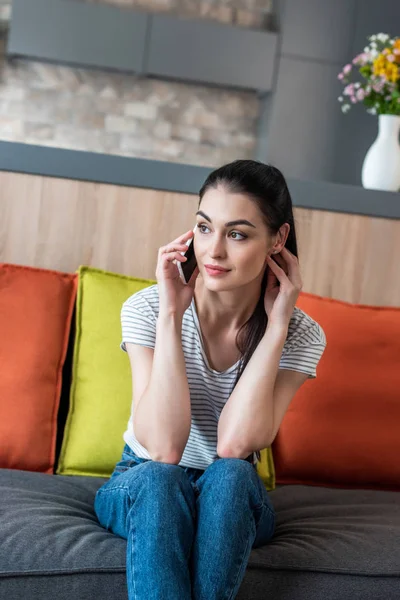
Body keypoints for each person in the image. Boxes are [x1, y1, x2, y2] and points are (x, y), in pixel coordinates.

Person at [94, 159, 327, 599]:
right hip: (143, 480)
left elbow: (236, 446)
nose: (213, 251)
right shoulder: (147, 309)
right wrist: (170, 315)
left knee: (234, 475)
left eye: (237, 234)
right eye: (204, 228)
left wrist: (276, 327)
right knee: (161, 480)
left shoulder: (301, 334)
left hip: (230, 496)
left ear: (277, 240)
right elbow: (163, 449)